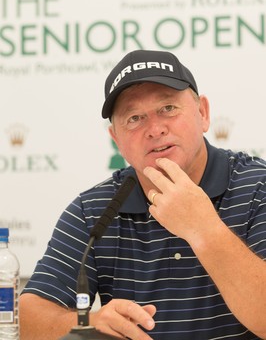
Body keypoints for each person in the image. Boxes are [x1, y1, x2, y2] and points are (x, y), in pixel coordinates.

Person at [20, 49, 266, 340]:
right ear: (116, 139)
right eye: (135, 118)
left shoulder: (257, 187)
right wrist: (90, 323)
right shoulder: (94, 210)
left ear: (203, 113)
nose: (155, 129)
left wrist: (203, 229)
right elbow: (30, 319)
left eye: (168, 109)